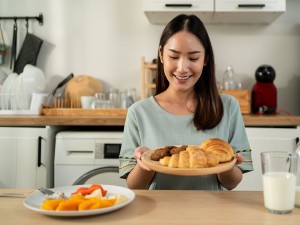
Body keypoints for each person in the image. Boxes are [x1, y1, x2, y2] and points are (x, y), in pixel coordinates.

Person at [119, 14, 253, 190]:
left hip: (213, 214)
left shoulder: (228, 106)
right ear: (161, 55)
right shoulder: (139, 112)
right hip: (159, 214)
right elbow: (134, 186)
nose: (182, 68)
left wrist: (227, 164)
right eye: (174, 57)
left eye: (193, 58)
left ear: (205, 59)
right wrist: (145, 164)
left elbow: (232, 183)